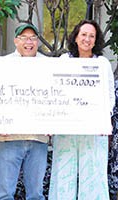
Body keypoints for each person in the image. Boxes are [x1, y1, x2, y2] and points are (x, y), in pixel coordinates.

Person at [48, 19, 115, 200]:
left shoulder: (102, 64)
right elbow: (54, 91)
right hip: (66, 127)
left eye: (91, 36)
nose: (87, 39)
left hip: (94, 129)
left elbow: (109, 96)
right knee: (63, 174)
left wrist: (102, 119)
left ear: (96, 40)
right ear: (76, 37)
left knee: (93, 175)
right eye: (83, 34)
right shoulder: (63, 61)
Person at [0, 23, 49, 200]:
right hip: (9, 137)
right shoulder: (2, 65)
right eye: (24, 37)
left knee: (35, 195)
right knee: (5, 194)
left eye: (33, 38)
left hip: (38, 138)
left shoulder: (49, 66)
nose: (29, 42)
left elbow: (56, 97)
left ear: (38, 42)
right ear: (15, 41)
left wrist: (54, 123)